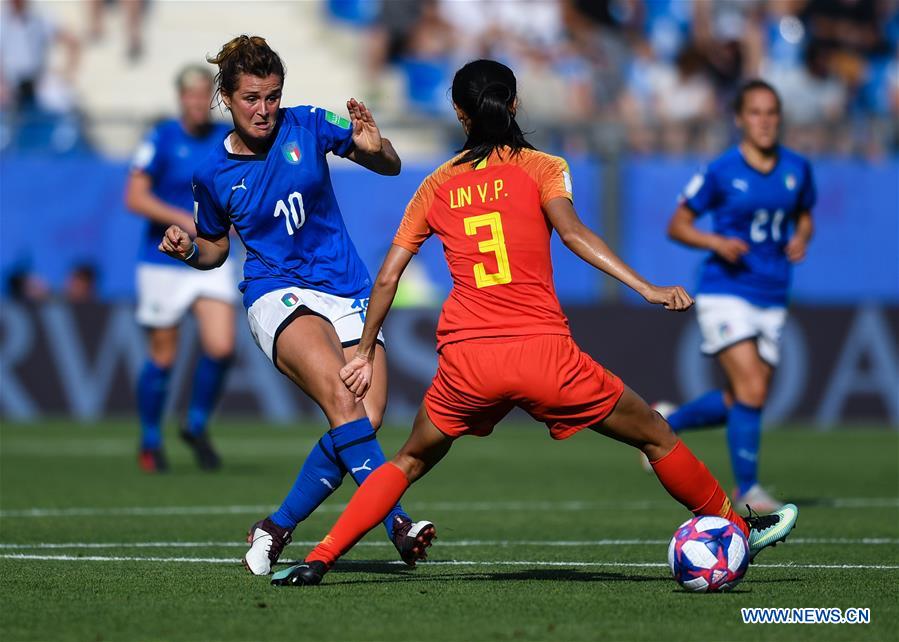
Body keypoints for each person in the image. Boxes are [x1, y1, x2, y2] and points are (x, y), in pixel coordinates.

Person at [270, 59, 799, 587]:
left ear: (458, 112)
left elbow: (387, 278)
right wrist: (647, 287)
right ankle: (734, 526)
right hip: (545, 357)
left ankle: (319, 559)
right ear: (515, 103)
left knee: (407, 460)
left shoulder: (436, 185)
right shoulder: (543, 166)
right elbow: (572, 234)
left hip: (468, 364)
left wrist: (363, 351)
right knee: (656, 436)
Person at [158, 35, 433, 576]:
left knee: (364, 418)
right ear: (227, 99)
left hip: (348, 290)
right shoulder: (213, 173)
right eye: (251, 99)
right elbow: (214, 250)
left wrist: (377, 147)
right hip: (276, 292)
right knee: (341, 395)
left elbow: (390, 166)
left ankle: (276, 526)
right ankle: (397, 521)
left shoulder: (308, 123)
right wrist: (189, 248)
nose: (264, 110)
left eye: (272, 96)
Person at [655, 79, 815, 513]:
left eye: (772, 112)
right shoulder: (722, 170)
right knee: (751, 388)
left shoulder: (797, 168)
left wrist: (801, 237)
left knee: (745, 396)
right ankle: (749, 489)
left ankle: (669, 422)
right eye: (756, 113)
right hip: (726, 290)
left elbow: (803, 216)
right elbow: (678, 225)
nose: (765, 121)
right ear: (740, 119)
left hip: (773, 293)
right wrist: (716, 244)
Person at [125, 65, 236, 473]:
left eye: (203, 93)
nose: (196, 102)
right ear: (180, 98)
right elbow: (135, 197)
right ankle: (151, 439)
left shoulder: (223, 140)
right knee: (164, 356)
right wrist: (182, 219)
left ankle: (197, 423)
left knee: (222, 346)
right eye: (189, 94)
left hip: (208, 254)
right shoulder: (161, 138)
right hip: (164, 260)